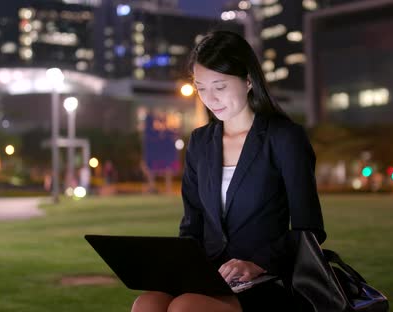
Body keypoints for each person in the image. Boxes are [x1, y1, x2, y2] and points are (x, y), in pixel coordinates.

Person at [130, 30, 326, 312]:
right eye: (201, 87)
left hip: (265, 278)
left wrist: (257, 263)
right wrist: (175, 267)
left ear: (248, 80)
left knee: (185, 307)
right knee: (146, 303)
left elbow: (310, 229)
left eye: (220, 87)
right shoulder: (200, 142)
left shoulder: (283, 137)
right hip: (209, 275)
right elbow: (192, 225)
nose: (210, 98)